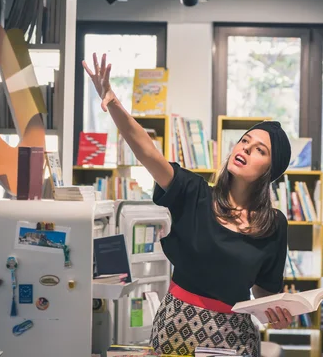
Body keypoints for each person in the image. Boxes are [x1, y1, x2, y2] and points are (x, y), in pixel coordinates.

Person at [83, 53, 293, 357]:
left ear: (270, 171)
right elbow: (147, 152)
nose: (245, 149)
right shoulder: (194, 193)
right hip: (177, 328)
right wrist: (113, 101)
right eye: (244, 141)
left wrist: (277, 312)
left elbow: (263, 290)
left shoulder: (274, 225)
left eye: (259, 150)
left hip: (236, 337)